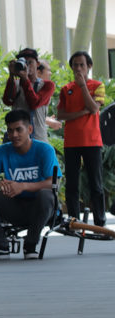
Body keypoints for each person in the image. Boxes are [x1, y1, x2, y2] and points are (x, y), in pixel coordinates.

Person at [0, 109, 61, 260]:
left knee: (46, 194)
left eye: (18, 130)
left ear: (30, 129)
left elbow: (53, 183)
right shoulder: (2, 151)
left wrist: (23, 186)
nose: (14, 135)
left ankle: (31, 245)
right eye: (10, 130)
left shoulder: (45, 150)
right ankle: (0, 246)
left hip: (41, 210)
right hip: (14, 207)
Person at [57, 51, 106, 227]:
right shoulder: (66, 89)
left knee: (96, 184)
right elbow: (60, 115)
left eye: (82, 65)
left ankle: (100, 222)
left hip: (92, 141)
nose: (78, 68)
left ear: (89, 66)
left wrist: (83, 86)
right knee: (72, 184)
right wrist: (80, 113)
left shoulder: (98, 86)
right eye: (75, 65)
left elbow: (93, 109)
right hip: (71, 142)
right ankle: (74, 221)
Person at [2, 48, 55, 142]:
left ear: (37, 64)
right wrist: (11, 76)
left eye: (30, 62)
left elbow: (34, 103)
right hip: (17, 139)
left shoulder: (47, 85)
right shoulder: (15, 84)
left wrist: (25, 80)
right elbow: (7, 101)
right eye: (24, 62)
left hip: (38, 139)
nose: (27, 66)